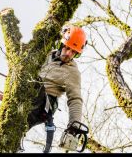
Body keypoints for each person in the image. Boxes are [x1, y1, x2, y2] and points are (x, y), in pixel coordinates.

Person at [26, 24, 87, 152]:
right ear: (61, 44)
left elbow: (75, 98)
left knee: (37, 83)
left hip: (44, 104)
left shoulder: (72, 72)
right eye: (67, 48)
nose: (69, 54)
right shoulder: (45, 54)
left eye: (74, 52)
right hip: (27, 96)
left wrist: (74, 125)